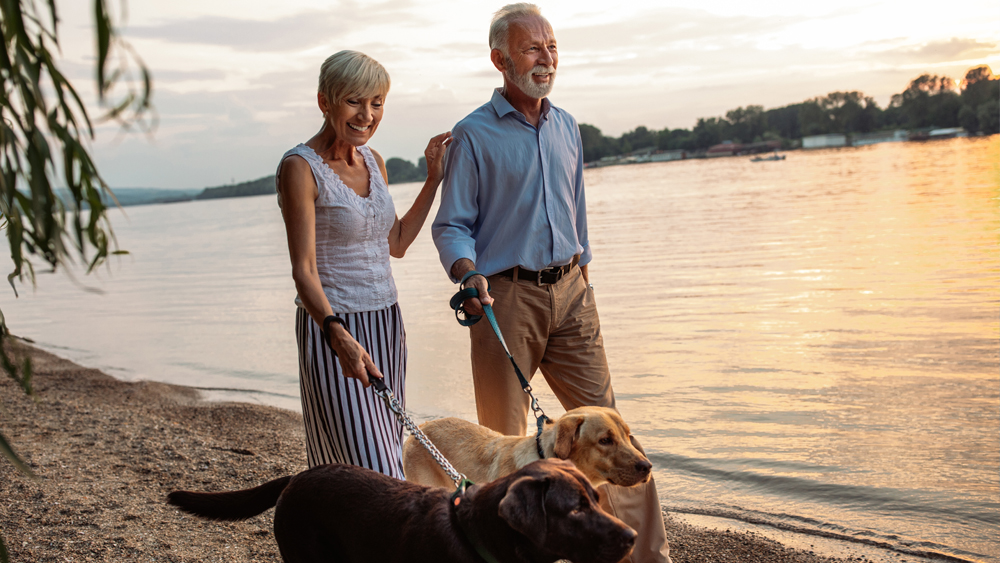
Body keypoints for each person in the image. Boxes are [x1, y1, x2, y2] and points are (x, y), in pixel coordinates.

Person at [431, 5, 671, 563]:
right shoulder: (473, 135)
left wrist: (583, 280)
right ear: (500, 59)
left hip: (572, 294)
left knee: (618, 442)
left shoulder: (566, 126)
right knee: (507, 448)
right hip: (503, 300)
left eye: (553, 47)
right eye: (533, 48)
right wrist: (468, 276)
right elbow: (452, 225)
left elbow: (576, 211)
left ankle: (647, 557)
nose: (547, 58)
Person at [276, 50, 452, 478]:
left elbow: (397, 242)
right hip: (334, 326)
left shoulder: (375, 162)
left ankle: (341, 542)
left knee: (385, 450)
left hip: (387, 324)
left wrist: (433, 179)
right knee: (375, 468)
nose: (366, 114)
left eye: (376, 103)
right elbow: (304, 271)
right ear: (325, 102)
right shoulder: (300, 168)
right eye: (354, 101)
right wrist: (338, 334)